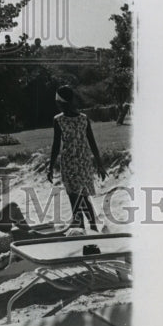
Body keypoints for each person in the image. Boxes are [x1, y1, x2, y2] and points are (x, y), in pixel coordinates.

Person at [47, 84, 107, 231]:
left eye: (57, 102)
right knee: (83, 196)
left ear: (61, 102)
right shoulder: (83, 119)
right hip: (84, 162)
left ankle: (81, 226)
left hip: (69, 163)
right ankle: (91, 226)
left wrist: (50, 167)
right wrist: (99, 164)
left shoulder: (58, 120)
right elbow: (92, 142)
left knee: (74, 196)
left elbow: (56, 146)